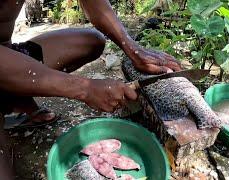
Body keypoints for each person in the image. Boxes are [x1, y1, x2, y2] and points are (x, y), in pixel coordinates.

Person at [0, 0, 181, 178]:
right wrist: (84, 88)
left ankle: (15, 98)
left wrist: (133, 49)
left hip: (9, 53)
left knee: (92, 41)